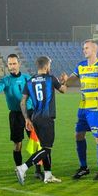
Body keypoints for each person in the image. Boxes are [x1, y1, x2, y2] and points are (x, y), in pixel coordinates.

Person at [15, 56, 68, 184]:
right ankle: (23, 167)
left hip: (35, 118)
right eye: (49, 65)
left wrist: (27, 118)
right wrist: (65, 81)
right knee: (47, 149)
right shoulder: (51, 79)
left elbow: (22, 102)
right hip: (47, 118)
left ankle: (48, 175)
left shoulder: (30, 81)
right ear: (46, 66)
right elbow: (63, 90)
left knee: (43, 148)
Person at [0, 54, 43, 180]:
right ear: (7, 65)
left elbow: (37, 90)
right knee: (17, 143)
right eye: (10, 64)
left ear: (19, 64)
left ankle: (37, 170)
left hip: (30, 113)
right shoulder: (6, 80)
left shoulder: (27, 78)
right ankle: (20, 169)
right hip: (15, 115)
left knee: (35, 142)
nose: (12, 66)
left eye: (14, 63)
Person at [69, 39, 98, 180]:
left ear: (94, 50)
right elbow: (70, 81)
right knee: (78, 135)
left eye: (86, 48)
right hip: (83, 108)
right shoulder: (80, 66)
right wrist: (65, 80)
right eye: (83, 48)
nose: (84, 50)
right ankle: (83, 167)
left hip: (96, 109)